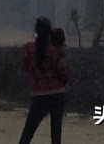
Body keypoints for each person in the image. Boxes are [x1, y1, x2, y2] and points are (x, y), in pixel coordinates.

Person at [17, 15, 70, 144]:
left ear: (35, 31)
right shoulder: (54, 51)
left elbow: (24, 68)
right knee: (56, 134)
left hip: (39, 96)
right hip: (57, 95)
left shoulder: (28, 49)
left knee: (28, 132)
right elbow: (64, 74)